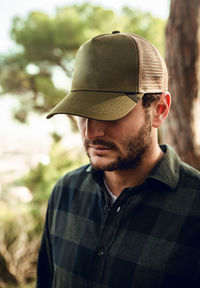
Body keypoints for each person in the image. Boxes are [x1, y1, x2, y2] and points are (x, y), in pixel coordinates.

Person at [36, 31, 200, 288]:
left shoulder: (195, 208)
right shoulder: (65, 192)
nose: (91, 133)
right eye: (82, 113)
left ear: (159, 110)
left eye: (109, 114)